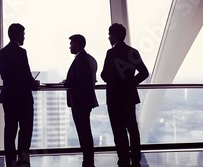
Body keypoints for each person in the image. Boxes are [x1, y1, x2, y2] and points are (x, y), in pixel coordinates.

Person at [101, 23, 149, 167]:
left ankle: (123, 159)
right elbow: (144, 73)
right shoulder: (132, 52)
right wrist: (130, 83)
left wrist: (114, 80)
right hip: (128, 97)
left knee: (119, 131)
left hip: (114, 97)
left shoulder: (111, 53)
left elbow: (104, 75)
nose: (108, 38)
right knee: (132, 129)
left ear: (114, 36)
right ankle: (135, 158)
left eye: (110, 35)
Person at [0, 23, 39, 167]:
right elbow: (26, 75)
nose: (24, 37)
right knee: (25, 129)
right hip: (23, 97)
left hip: (8, 96)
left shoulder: (1, 53)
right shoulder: (22, 52)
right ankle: (23, 159)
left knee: (10, 129)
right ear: (19, 34)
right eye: (24, 34)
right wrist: (34, 84)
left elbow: (4, 75)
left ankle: (10, 160)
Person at [63, 34, 98, 167]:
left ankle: (88, 161)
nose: (70, 47)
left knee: (84, 133)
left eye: (71, 44)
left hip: (80, 101)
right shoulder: (90, 59)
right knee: (85, 132)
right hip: (85, 100)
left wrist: (68, 83)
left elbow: (81, 82)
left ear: (77, 44)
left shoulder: (81, 60)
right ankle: (88, 160)